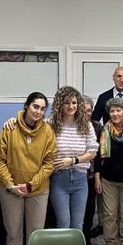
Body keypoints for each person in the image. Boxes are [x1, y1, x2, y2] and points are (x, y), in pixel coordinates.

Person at [0, 92, 56, 245]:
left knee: (36, 235)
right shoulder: (10, 128)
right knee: (13, 233)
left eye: (42, 109)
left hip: (37, 190)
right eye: (35, 106)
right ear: (27, 106)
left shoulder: (48, 132)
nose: (38, 111)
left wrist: (31, 185)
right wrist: (9, 185)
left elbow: (49, 163)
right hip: (11, 190)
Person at [48, 86, 99, 230]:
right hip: (59, 179)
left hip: (80, 179)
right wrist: (15, 119)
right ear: (60, 104)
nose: (71, 106)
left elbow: (93, 151)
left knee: (77, 224)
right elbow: (34, 128)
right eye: (67, 103)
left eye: (74, 103)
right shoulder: (51, 123)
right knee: (63, 223)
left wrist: (73, 160)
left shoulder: (86, 125)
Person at [94, 97, 123, 245]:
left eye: (118, 110)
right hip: (108, 179)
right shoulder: (103, 130)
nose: (115, 113)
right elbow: (98, 156)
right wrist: (97, 176)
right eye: (112, 111)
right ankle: (111, 243)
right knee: (110, 213)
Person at [82, 96, 102, 245]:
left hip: (90, 175)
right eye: (84, 110)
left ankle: (86, 237)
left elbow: (100, 155)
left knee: (89, 208)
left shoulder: (97, 126)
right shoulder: (68, 125)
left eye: (89, 110)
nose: (86, 113)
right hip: (72, 174)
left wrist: (97, 177)